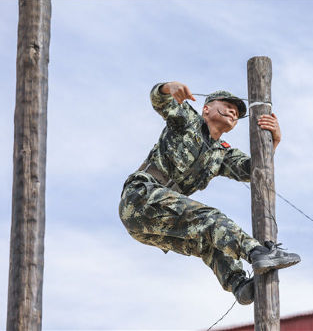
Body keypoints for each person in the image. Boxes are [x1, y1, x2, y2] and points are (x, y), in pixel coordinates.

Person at [119, 81, 300, 305]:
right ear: (207, 109)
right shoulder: (187, 120)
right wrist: (168, 87)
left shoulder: (221, 153)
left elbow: (253, 170)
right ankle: (256, 252)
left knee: (207, 240)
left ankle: (239, 284)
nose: (233, 111)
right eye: (226, 105)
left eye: (236, 112)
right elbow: (160, 101)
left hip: (149, 226)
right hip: (140, 197)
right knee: (209, 219)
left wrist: (274, 142)